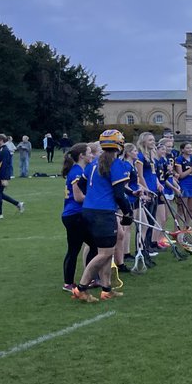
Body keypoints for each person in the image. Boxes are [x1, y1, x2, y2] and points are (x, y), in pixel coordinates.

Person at [72, 129, 132, 302]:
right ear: (120, 146)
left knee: (106, 251)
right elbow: (120, 195)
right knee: (104, 253)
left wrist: (94, 196)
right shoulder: (117, 165)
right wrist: (128, 213)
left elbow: (82, 184)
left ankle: (106, 289)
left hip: (89, 211)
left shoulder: (92, 164)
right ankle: (81, 288)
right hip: (103, 213)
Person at [60, 143, 90, 291]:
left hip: (74, 214)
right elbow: (78, 197)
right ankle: (71, 282)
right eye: (89, 153)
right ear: (82, 156)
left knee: (85, 247)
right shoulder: (77, 172)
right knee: (77, 248)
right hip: (75, 215)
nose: (92, 155)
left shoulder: (79, 170)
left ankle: (80, 280)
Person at [0, 134, 24, 220]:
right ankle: (18, 204)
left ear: (1, 140)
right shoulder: (1, 150)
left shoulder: (5, 151)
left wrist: (4, 178)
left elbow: (5, 165)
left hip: (1, 176)